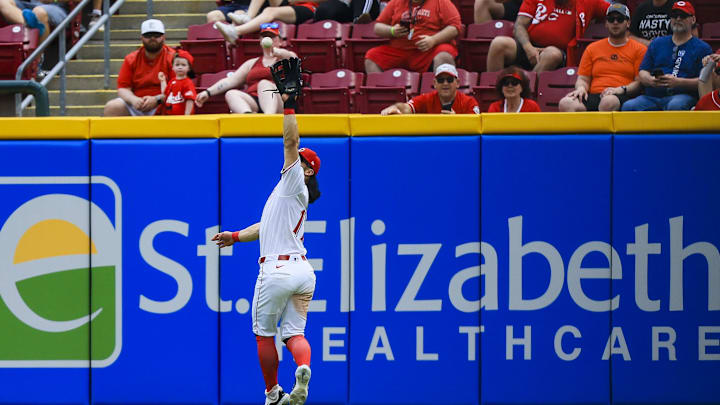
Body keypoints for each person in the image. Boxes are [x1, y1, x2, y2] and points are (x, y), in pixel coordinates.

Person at [212, 57, 319, 405]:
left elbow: (290, 143)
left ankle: (273, 394)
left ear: (307, 171)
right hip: (302, 270)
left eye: (303, 161)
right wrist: (235, 236)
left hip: (275, 269)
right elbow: (265, 227)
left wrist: (289, 105)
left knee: (262, 335)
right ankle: (302, 368)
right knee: (295, 335)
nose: (295, 159)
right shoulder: (292, 195)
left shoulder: (293, 181)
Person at [622, 1, 712, 111]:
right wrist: (650, 79)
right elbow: (643, 71)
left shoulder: (702, 48)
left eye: (683, 16)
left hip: (683, 95)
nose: (678, 19)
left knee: (675, 105)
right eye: (674, 16)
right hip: (652, 96)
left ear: (693, 20)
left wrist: (679, 82)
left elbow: (705, 81)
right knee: (629, 106)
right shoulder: (657, 43)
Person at [559, 3, 646, 112]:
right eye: (611, 19)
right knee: (566, 103)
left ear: (628, 23)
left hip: (621, 95)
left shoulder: (639, 49)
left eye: (620, 19)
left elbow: (639, 83)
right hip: (594, 95)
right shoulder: (592, 48)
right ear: (606, 23)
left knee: (608, 102)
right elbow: (583, 78)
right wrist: (581, 88)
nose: (615, 22)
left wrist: (621, 89)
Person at [195, 23, 297, 114]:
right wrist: (208, 92)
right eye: (265, 36)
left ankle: (268, 119)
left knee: (264, 84)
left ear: (280, 41)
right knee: (231, 94)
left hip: (280, 100)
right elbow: (231, 81)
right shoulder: (251, 63)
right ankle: (248, 117)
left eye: (272, 37)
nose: (268, 39)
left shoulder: (287, 57)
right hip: (255, 100)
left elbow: (292, 59)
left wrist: (279, 52)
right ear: (260, 41)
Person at [485, 0, 611, 73]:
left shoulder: (588, 2)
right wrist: (529, 47)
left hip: (559, 53)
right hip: (529, 46)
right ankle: (496, 96)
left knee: (552, 54)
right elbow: (519, 26)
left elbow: (615, 10)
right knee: (499, 43)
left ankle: (526, 93)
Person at [103, 19, 175, 116]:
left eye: (157, 35)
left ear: (164, 37)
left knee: (175, 104)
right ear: (141, 38)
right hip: (137, 103)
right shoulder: (131, 59)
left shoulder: (173, 58)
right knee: (113, 107)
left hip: (163, 102)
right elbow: (123, 88)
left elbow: (177, 88)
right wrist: (134, 100)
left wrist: (157, 99)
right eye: (148, 35)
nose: (152, 38)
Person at [380, 63, 479, 114]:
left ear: (457, 83)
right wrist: (395, 108)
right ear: (435, 83)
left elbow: (475, 128)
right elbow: (406, 108)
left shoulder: (469, 102)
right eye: (440, 80)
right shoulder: (426, 99)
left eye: (449, 80)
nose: (445, 83)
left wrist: (456, 121)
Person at [214, 0, 317, 42]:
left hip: (307, 8)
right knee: (268, 10)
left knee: (270, 11)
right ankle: (248, 16)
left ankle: (236, 31)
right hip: (287, 5)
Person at [0, 0, 69, 41]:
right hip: (29, 5)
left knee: (39, 12)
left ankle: (37, 59)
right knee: (2, 2)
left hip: (57, 7)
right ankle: (30, 23)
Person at [157, 50, 197, 115]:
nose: (180, 67)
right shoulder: (172, 81)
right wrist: (162, 81)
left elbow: (190, 100)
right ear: (172, 67)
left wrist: (187, 115)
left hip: (182, 118)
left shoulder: (187, 83)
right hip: (170, 117)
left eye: (183, 65)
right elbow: (165, 93)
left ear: (189, 68)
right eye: (177, 65)